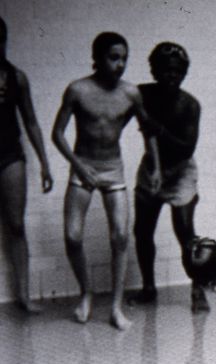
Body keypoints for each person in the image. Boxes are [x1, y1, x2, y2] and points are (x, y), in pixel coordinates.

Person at [52, 32, 160, 330]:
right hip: (83, 166)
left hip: (113, 169)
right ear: (98, 59)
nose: (120, 64)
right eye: (113, 58)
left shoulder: (130, 94)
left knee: (121, 237)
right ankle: (86, 293)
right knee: (72, 235)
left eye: (124, 58)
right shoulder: (77, 90)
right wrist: (78, 166)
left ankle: (115, 307)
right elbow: (57, 133)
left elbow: (147, 129)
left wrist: (155, 166)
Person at [129, 42, 209, 313]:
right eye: (164, 70)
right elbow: (118, 109)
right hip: (152, 167)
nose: (170, 76)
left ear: (183, 73)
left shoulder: (190, 105)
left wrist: (158, 130)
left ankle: (198, 288)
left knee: (185, 232)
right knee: (142, 231)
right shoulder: (142, 94)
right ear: (154, 71)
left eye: (176, 71)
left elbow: (186, 148)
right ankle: (149, 288)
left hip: (181, 171)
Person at [0, 16, 53, 314]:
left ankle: (24, 295)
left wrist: (44, 162)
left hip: (9, 154)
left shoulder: (16, 77)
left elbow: (31, 121)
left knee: (17, 225)